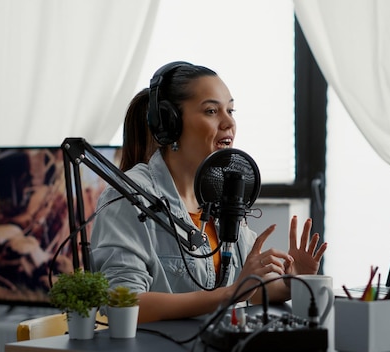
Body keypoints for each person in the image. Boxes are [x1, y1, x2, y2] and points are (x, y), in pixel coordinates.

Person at [91, 62, 328, 323]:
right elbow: (123, 303)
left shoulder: (223, 197)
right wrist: (229, 294)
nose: (229, 122)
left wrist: (295, 281)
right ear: (170, 123)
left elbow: (251, 289)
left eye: (231, 110)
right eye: (212, 111)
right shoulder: (128, 198)